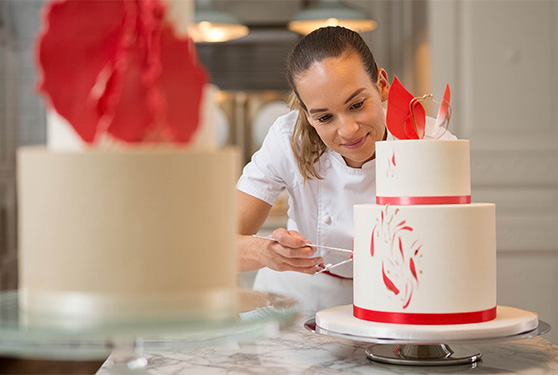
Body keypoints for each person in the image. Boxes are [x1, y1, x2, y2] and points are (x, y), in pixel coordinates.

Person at [236, 26, 454, 317]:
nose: (348, 130)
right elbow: (219, 246)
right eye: (325, 117)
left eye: (357, 105)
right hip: (292, 302)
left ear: (382, 84)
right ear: (307, 115)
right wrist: (266, 253)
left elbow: (450, 250)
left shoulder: (431, 143)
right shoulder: (287, 139)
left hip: (392, 299)